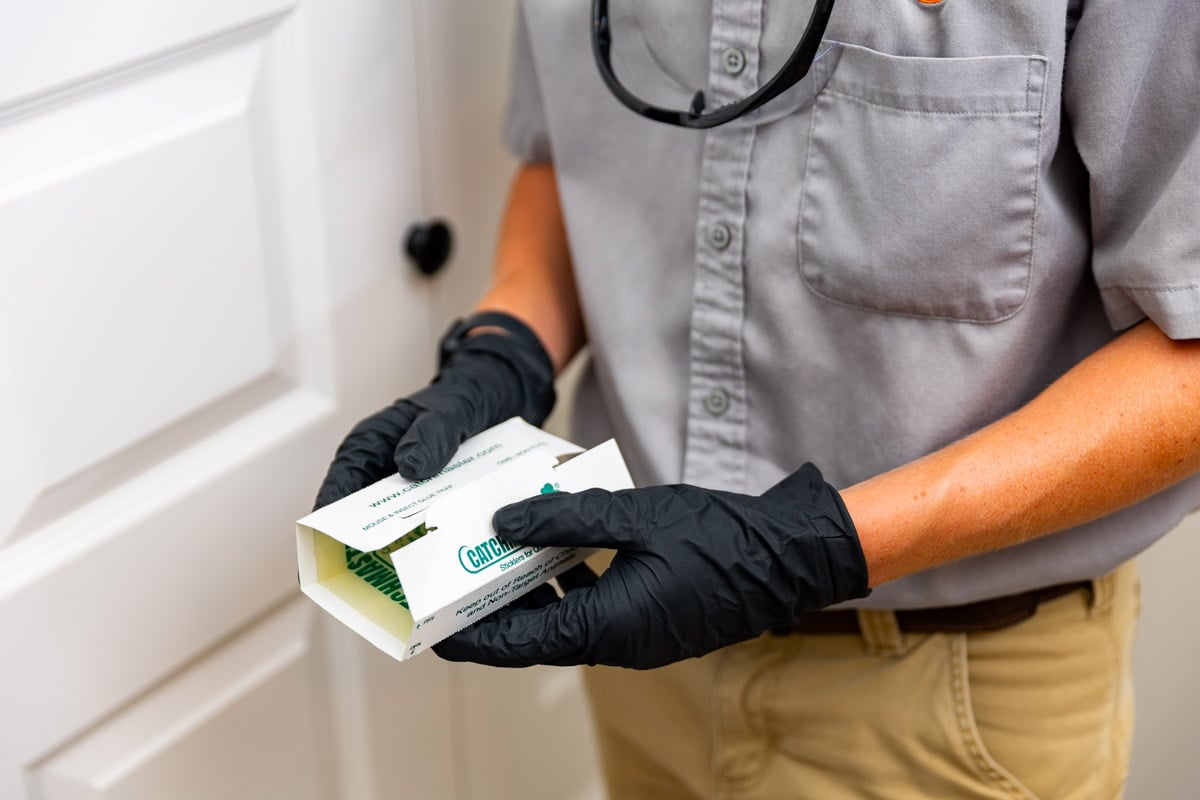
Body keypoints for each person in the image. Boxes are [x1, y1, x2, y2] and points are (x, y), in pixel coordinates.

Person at [316, 1, 1200, 797]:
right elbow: (569, 153)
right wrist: (504, 350)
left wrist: (803, 551)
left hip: (953, 706)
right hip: (644, 669)